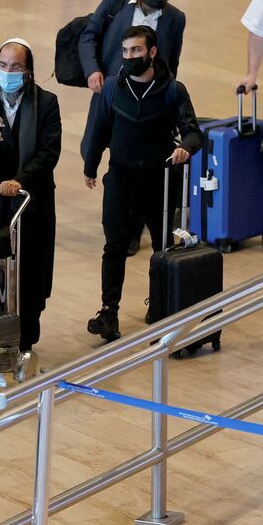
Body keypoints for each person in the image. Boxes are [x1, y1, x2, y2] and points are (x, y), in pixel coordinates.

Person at [81, 25, 203, 342]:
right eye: (125, 51)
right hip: (121, 179)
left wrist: (185, 148)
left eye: (136, 50)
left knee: (163, 248)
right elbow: (100, 129)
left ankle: (160, 306)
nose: (129, 56)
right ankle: (109, 312)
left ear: (152, 52)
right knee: (114, 246)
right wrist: (90, 165)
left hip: (159, 181)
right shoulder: (112, 88)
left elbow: (193, 132)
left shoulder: (173, 90)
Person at [79, 0, 186, 256]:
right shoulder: (115, 2)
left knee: (139, 160)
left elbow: (172, 62)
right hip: (113, 95)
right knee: (107, 151)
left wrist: (168, 97)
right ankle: (120, 223)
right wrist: (92, 70)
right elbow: (89, 35)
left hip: (150, 103)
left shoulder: (175, 18)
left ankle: (133, 229)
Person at [0, 38, 61, 355]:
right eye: (3, 65)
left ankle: (25, 340)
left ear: (29, 71)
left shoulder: (46, 103)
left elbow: (49, 152)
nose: (8, 72)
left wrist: (19, 181)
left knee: (30, 272)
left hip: (30, 201)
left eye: (16, 67)